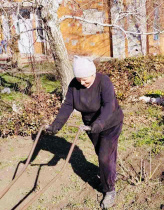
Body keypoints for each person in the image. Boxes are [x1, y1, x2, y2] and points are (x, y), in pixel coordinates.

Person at [46, 56, 124, 209]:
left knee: (105, 156)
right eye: (79, 79)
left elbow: (109, 105)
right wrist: (56, 125)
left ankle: (109, 190)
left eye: (85, 79)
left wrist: (100, 123)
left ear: (93, 73)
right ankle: (109, 172)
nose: (82, 83)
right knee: (102, 154)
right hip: (91, 126)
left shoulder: (104, 82)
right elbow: (68, 105)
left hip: (110, 123)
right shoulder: (74, 85)